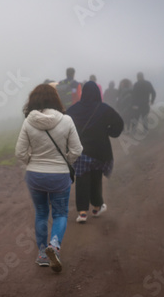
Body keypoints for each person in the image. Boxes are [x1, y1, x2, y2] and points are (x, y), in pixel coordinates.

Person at [15, 84, 83, 272]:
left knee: (42, 213)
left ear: (34, 100)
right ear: (56, 98)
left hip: (35, 176)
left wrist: (32, 162)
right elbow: (77, 149)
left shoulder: (29, 121)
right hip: (60, 176)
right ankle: (55, 245)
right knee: (60, 213)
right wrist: (65, 162)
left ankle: (43, 254)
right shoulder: (67, 120)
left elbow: (19, 152)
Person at [66, 81, 123, 224]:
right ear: (98, 93)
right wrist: (110, 132)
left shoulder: (73, 110)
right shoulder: (103, 109)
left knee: (82, 180)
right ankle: (96, 208)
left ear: (83, 93)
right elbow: (119, 123)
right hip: (100, 151)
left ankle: (82, 212)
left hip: (80, 151)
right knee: (96, 179)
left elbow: (64, 126)